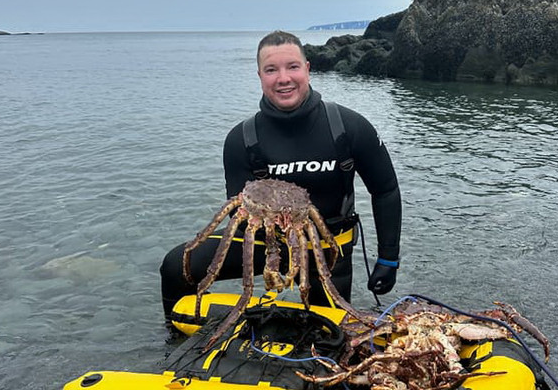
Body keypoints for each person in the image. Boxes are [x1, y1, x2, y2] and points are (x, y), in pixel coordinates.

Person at [160, 30, 402, 324]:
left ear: (308, 69)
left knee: (325, 330)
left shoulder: (349, 127)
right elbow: (236, 206)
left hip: (326, 248)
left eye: (292, 67)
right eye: (271, 70)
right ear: (260, 75)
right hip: (263, 243)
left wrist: (388, 258)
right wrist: (271, 237)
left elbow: (386, 189)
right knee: (175, 265)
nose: (283, 78)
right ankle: (173, 342)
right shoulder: (242, 139)